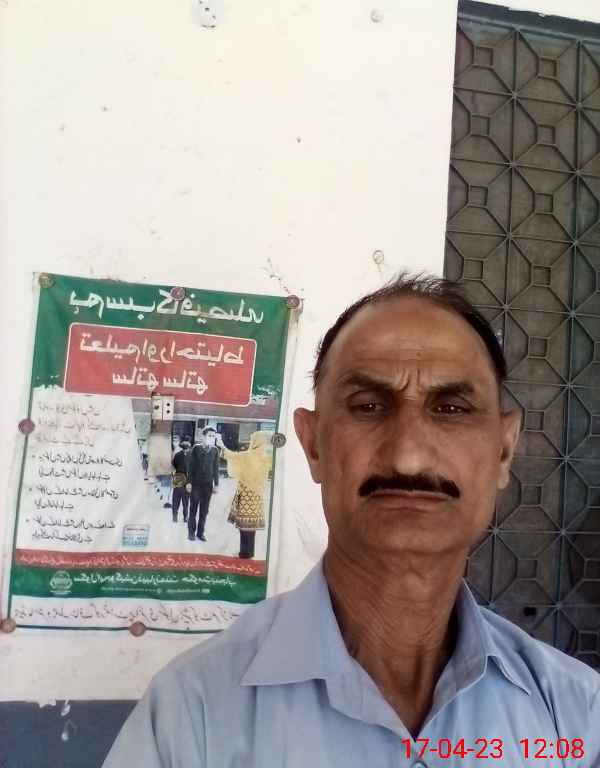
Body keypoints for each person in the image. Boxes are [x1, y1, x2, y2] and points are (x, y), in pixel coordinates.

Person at [102, 273, 600, 767]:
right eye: (368, 407)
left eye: (451, 408)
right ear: (313, 444)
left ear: (504, 450)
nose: (407, 457)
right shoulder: (192, 718)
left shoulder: (575, 717)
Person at [223, 430, 272, 558]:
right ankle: (249, 552)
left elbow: (232, 456)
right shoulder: (266, 457)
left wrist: (222, 446)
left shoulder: (247, 456)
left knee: (244, 526)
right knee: (251, 527)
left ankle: (245, 553)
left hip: (245, 495)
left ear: (254, 442)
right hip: (257, 497)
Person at [187, 428, 220, 542]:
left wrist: (216, 484)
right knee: (193, 509)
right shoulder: (196, 448)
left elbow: (216, 468)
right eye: (209, 435)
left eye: (213, 436)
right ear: (204, 436)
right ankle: (191, 533)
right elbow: (191, 467)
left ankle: (200, 533)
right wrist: (189, 482)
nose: (211, 437)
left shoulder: (215, 450)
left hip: (208, 485)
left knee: (204, 511)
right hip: (196, 484)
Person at [171, 440, 191, 523]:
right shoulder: (191, 455)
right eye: (186, 448)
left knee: (178, 499)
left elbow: (174, 465)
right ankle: (183, 517)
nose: (186, 450)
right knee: (184, 499)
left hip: (180, 477)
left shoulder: (178, 455)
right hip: (185, 477)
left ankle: (177, 517)